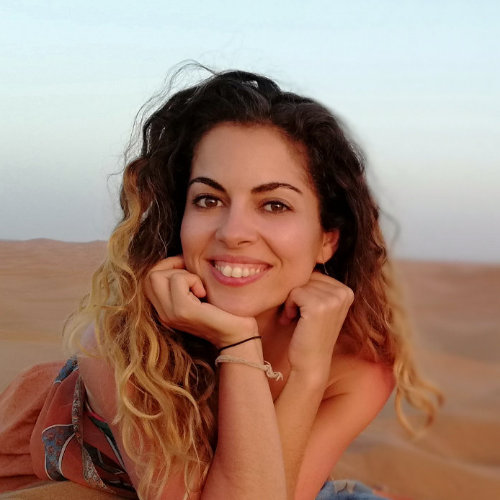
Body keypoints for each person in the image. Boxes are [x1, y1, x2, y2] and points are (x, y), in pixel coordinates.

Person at [0, 68, 441, 500]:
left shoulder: (359, 367)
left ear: (327, 239)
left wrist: (308, 373)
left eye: (273, 205)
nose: (233, 231)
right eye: (208, 199)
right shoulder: (122, 343)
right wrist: (238, 342)